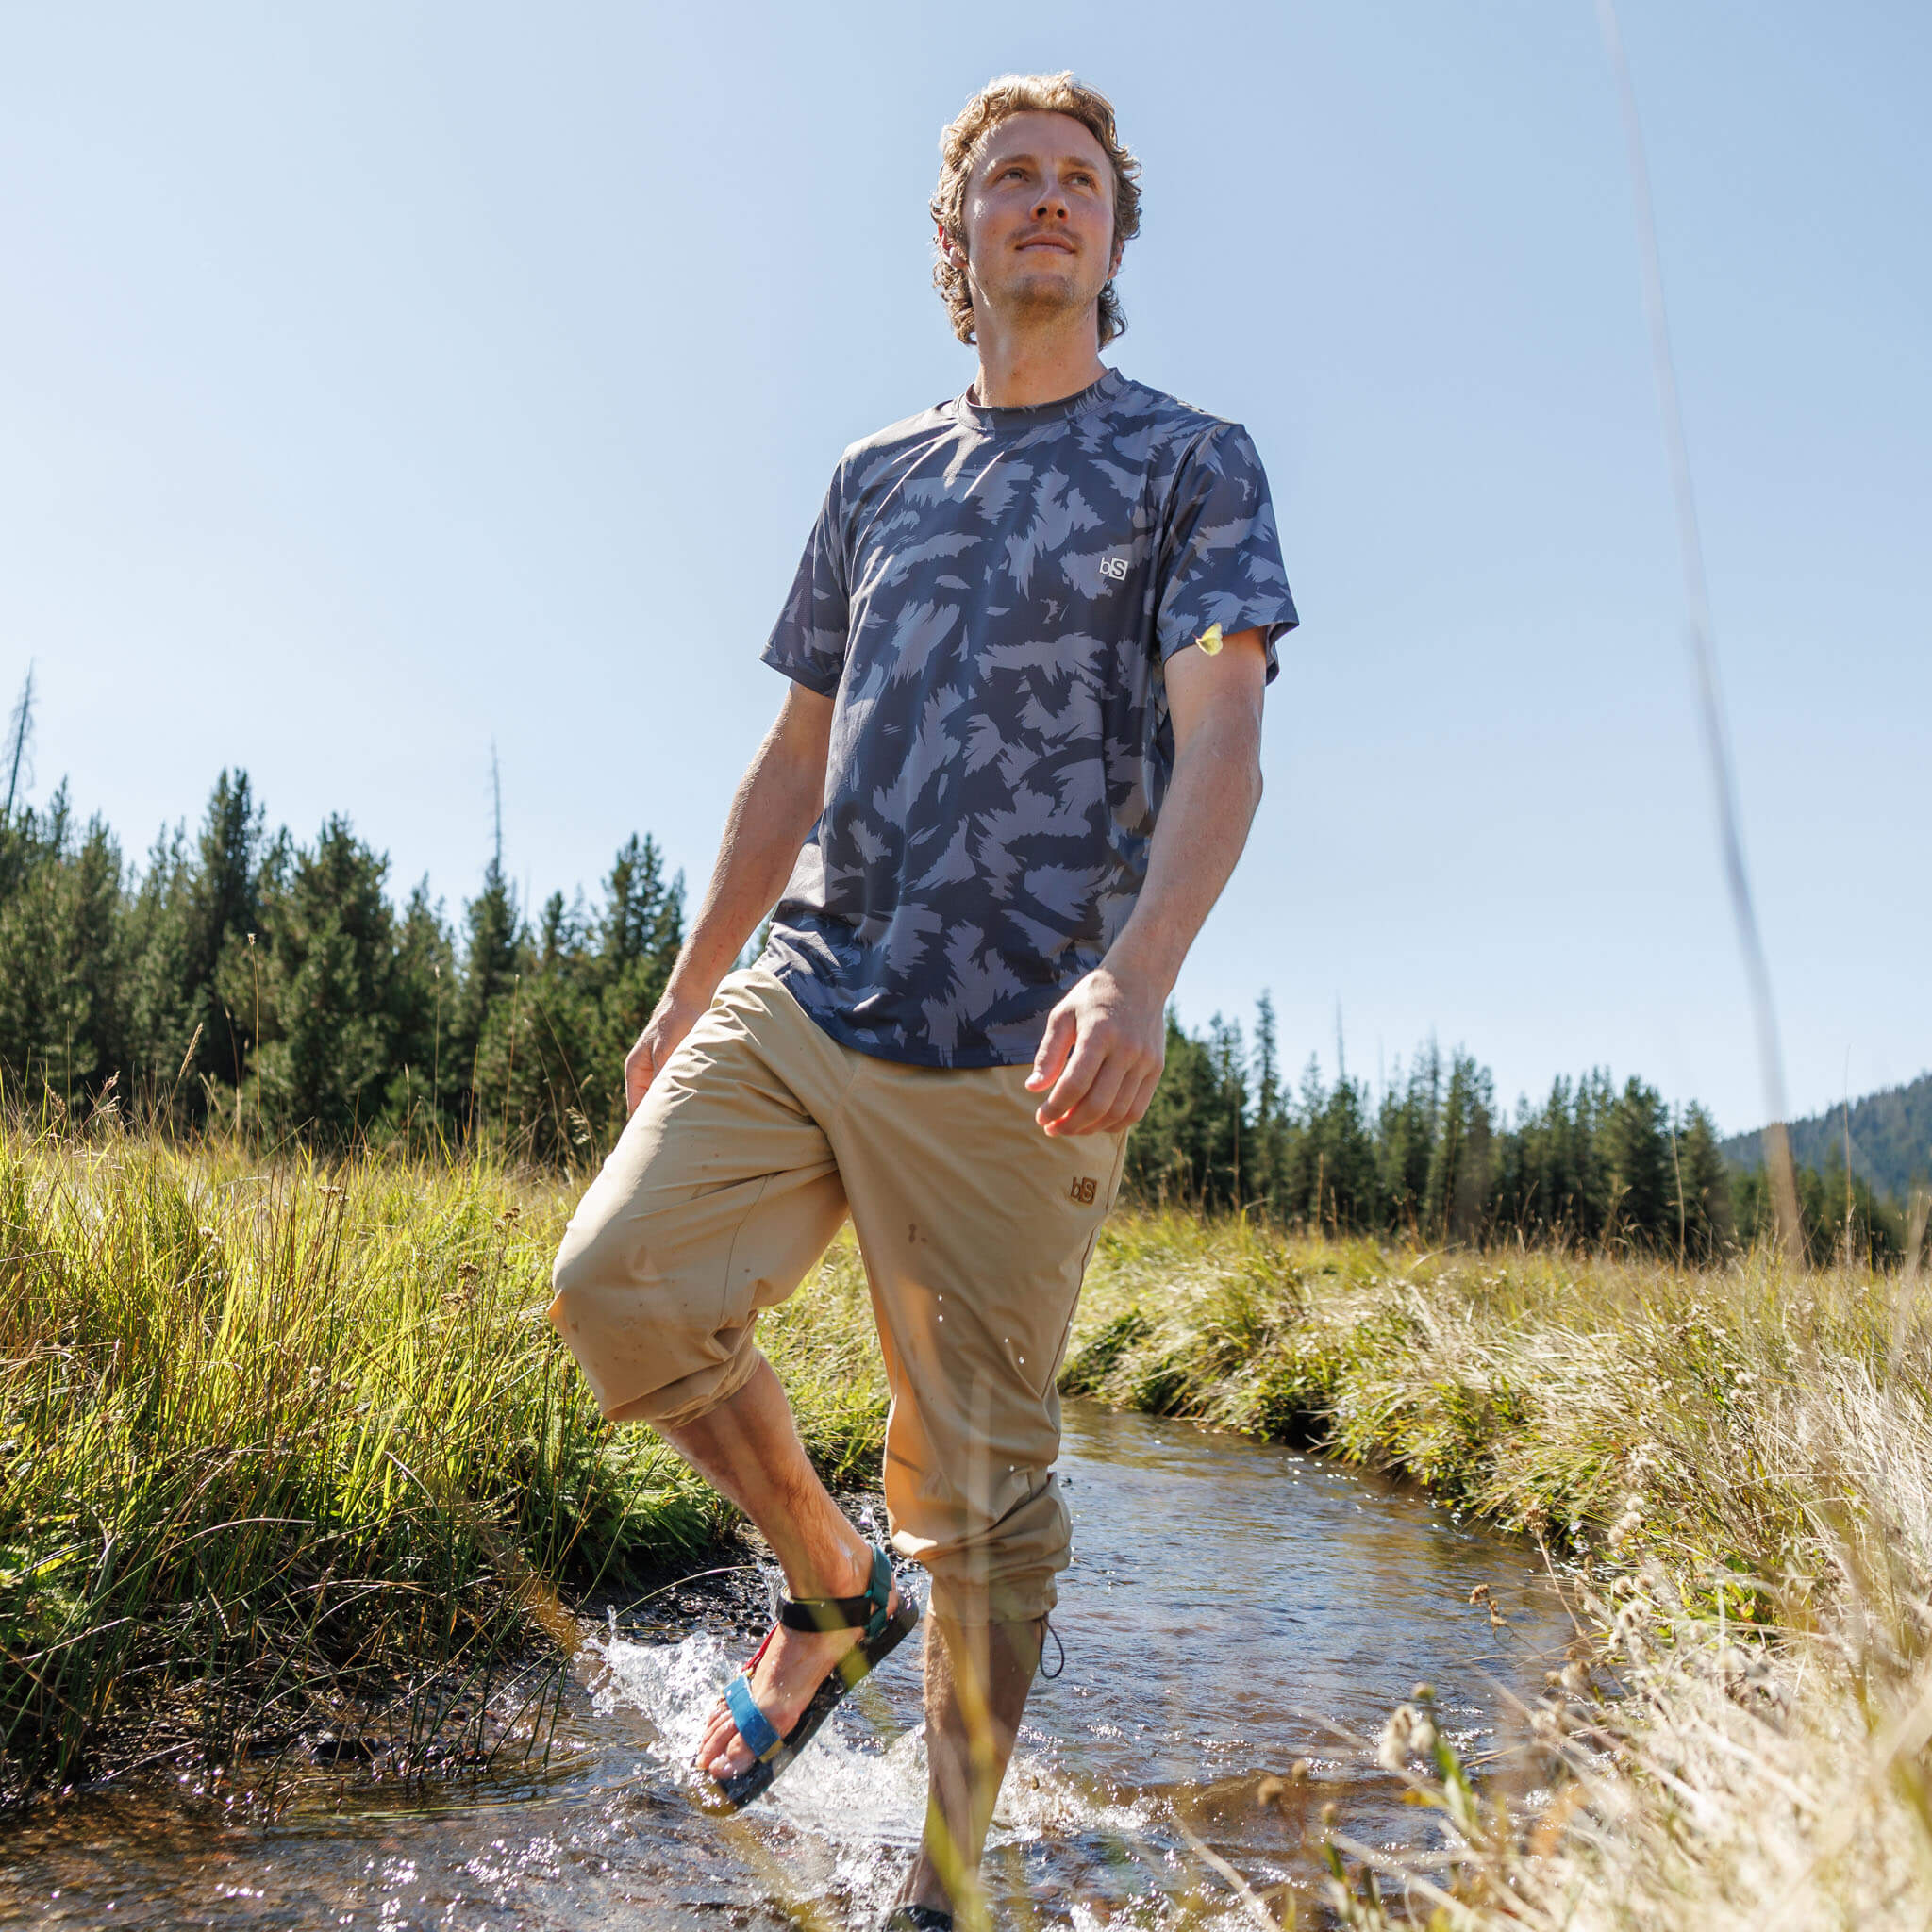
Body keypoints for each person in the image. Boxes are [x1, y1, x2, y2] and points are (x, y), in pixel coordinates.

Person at [548, 70, 1296, 1927]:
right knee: (615, 1278)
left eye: (1078, 181)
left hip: (1022, 1044)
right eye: (1009, 178)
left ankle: (944, 1882)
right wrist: (687, 987)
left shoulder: (1192, 463)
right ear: (957, 237)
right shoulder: (871, 477)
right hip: (814, 981)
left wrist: (1137, 971)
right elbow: (791, 757)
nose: (1046, 199)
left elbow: (1223, 736)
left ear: (1112, 235)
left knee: (981, 1499)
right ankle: (830, 1580)